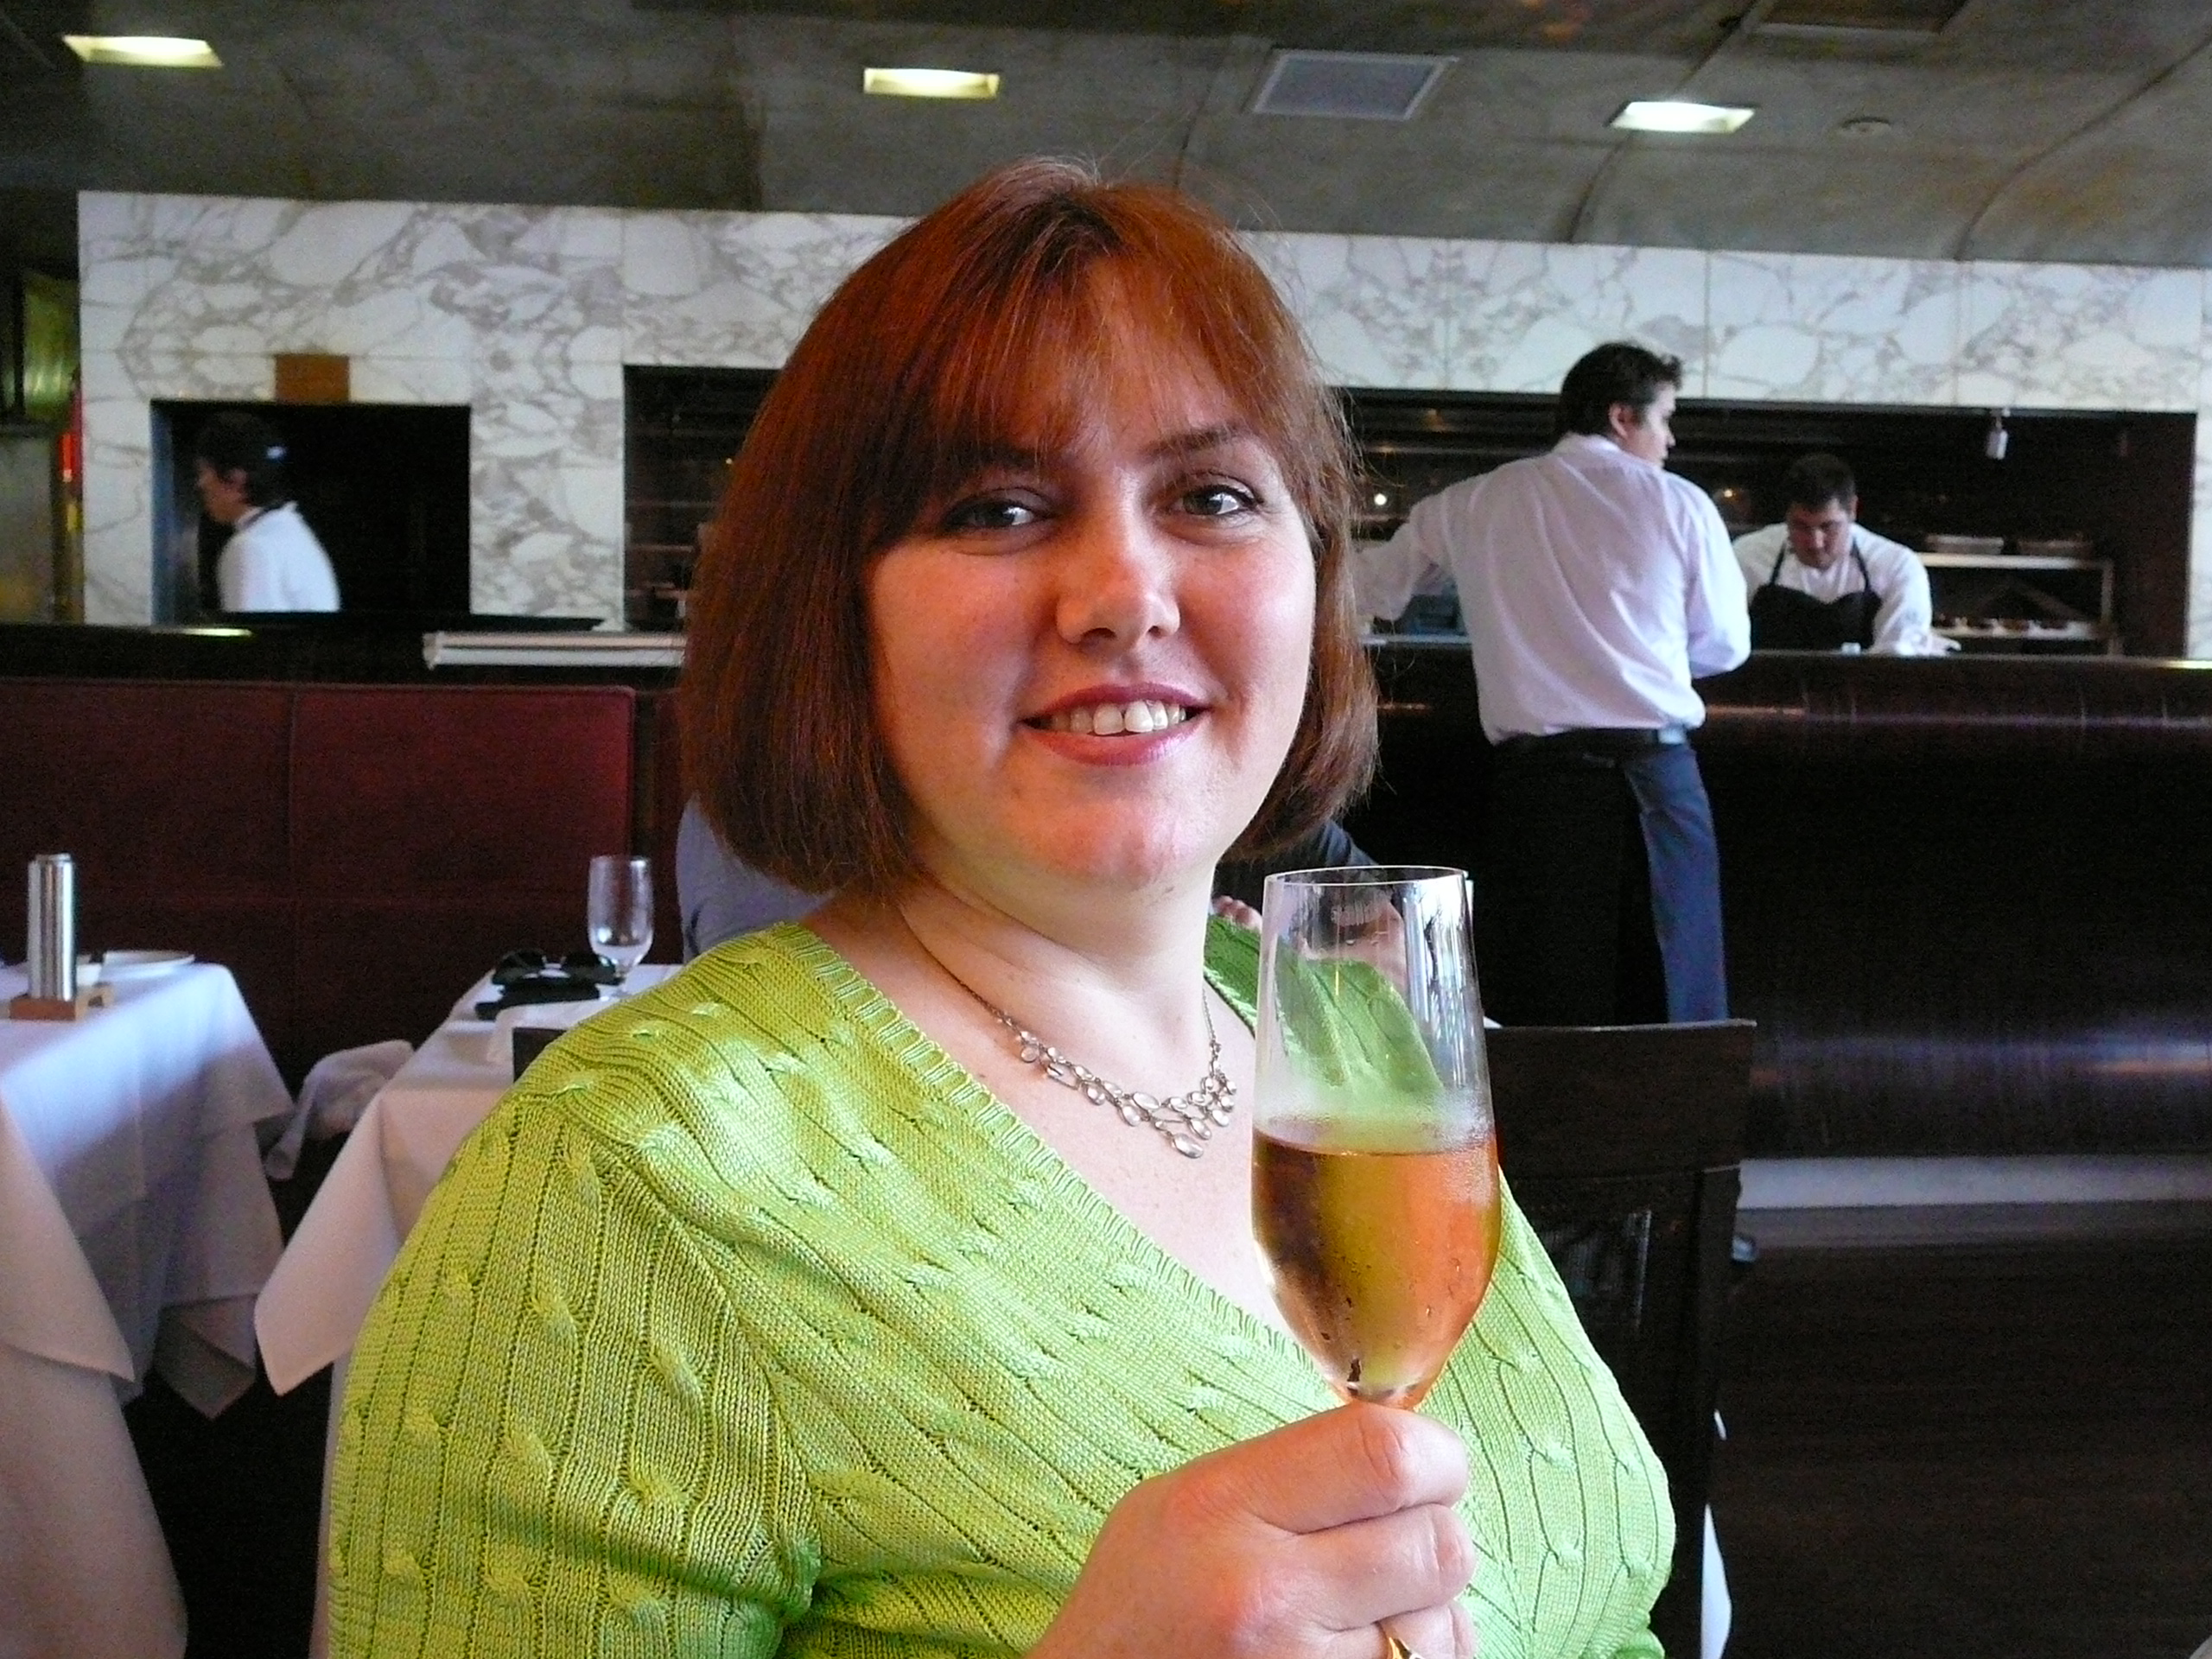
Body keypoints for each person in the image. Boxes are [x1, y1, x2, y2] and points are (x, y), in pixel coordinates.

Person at [326, 161, 1671, 1659]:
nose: (1125, 596)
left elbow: (1606, 1613)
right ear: (834, 612)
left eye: (1213, 496)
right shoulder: (620, 1188)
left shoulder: (1349, 1036)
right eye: (999, 508)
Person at [1353, 341, 1750, 1027]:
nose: (1670, 439)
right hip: (1658, 778)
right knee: (1678, 1006)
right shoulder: (1681, 503)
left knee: (1544, 1001)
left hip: (1538, 789)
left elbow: (1372, 590)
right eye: (1665, 419)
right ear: (1622, 417)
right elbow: (1723, 645)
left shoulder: (1473, 501)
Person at [677, 794, 1374, 958]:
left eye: (1210, 504)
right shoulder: (771, 822)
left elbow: (1394, 940)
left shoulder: (1236, 793)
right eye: (1000, 518)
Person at [1732, 452, 1953, 654]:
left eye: (1828, 526)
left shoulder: (1896, 566)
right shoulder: (1746, 556)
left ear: (1853, 510)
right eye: (1801, 527)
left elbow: (1898, 659)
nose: (1815, 543)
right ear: (1786, 515)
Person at [194, 410, 340, 612]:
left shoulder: (251, 548)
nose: (200, 484)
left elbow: (252, 633)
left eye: (204, 472)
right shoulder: (291, 532)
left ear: (236, 481)